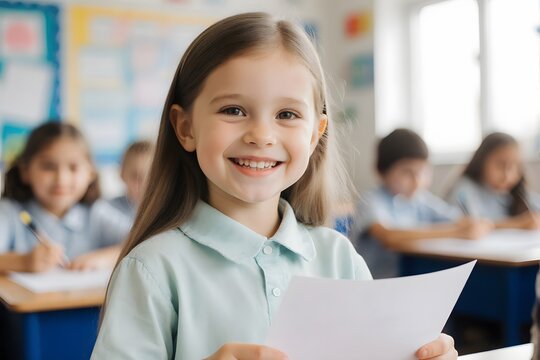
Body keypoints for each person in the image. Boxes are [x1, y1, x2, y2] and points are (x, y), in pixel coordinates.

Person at [91, 13, 458, 359]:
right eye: (233, 110)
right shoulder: (152, 270)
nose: (262, 135)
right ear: (186, 127)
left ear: (316, 135)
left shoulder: (337, 257)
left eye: (287, 115)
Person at [354, 129, 492, 279]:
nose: (417, 180)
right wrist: (458, 233)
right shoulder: (371, 200)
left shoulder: (420, 199)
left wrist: (474, 225)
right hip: (375, 284)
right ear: (381, 171)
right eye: (407, 172)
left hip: (409, 278)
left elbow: (458, 219)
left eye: (422, 171)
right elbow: (389, 236)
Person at [0, 122, 131, 272]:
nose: (61, 179)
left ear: (90, 173)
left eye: (73, 167)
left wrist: (104, 258)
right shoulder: (8, 212)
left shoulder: (96, 212)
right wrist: (23, 262)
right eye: (49, 166)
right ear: (25, 171)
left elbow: (143, 240)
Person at [446, 132, 540, 229]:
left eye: (515, 166)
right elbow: (461, 224)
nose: (508, 176)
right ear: (481, 162)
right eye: (500, 165)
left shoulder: (517, 193)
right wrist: (517, 224)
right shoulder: (464, 190)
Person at [109, 140, 154, 221]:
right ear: (122, 174)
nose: (144, 184)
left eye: (151, 177)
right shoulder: (108, 210)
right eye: (136, 176)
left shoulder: (163, 212)